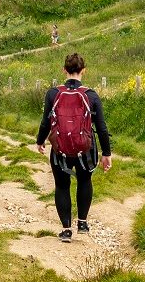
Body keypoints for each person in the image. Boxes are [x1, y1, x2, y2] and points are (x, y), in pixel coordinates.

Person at [36, 52, 112, 242]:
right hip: (86, 149)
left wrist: (40, 141)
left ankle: (66, 230)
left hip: (59, 148)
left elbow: (46, 122)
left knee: (62, 186)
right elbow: (101, 127)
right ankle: (83, 223)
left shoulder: (53, 93)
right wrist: (106, 153)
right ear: (83, 71)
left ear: (64, 70)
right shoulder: (91, 95)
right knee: (85, 182)